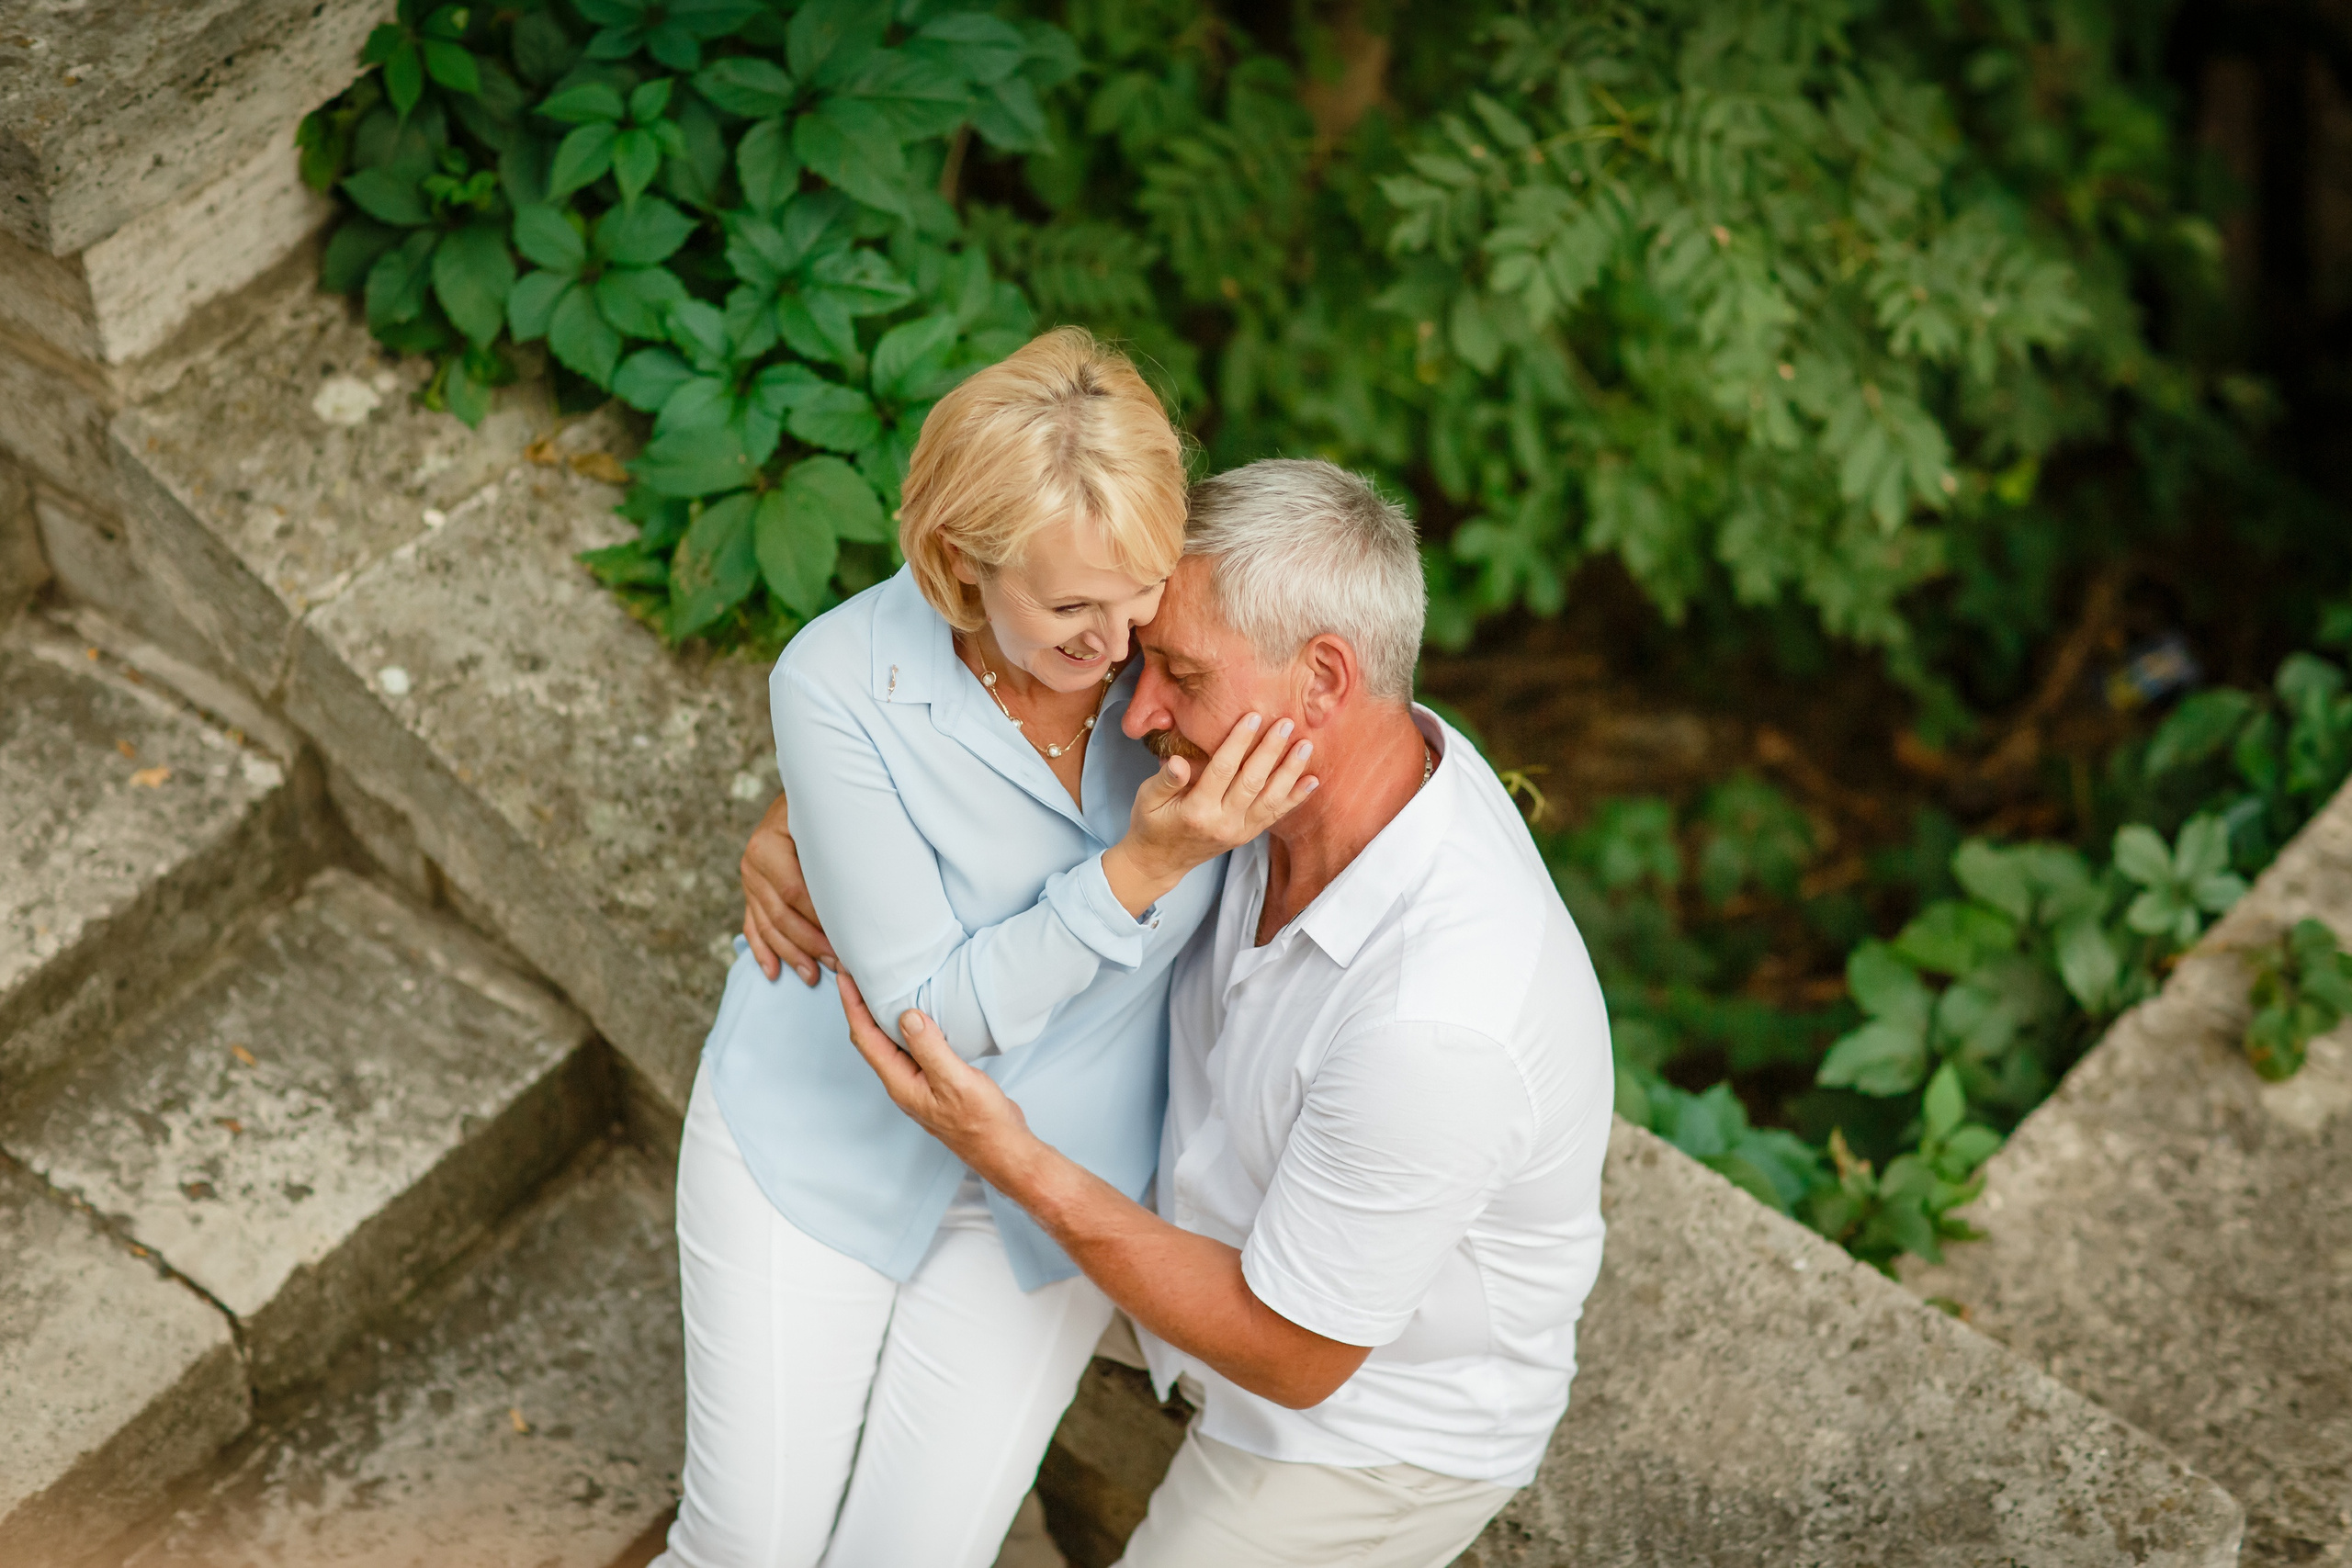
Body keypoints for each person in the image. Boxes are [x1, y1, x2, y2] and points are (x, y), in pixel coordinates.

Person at [831, 459, 1616, 1567]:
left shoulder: (1433, 1030)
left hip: (1356, 1433)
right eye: (1144, 658)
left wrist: (1017, 1165)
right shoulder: (1288, 772)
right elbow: (968, 721)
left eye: (1181, 675)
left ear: (1325, 681)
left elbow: (1294, 1352)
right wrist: (797, 820)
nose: (1136, 709)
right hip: (1199, 1234)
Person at [654, 330, 1317, 1568]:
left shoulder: (1190, 644)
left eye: (1140, 593)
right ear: (960, 563)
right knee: (745, 1545)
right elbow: (932, 1022)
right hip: (820, 1138)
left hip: (1047, 1194)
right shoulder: (834, 678)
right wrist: (1139, 870)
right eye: (1069, 607)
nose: (1119, 647)